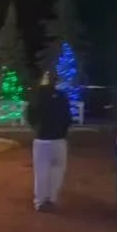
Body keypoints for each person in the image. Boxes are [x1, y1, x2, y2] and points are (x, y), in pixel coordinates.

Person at [26, 71, 72, 212]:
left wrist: (36, 128)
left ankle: (40, 201)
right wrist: (63, 130)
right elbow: (68, 117)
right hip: (59, 139)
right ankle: (51, 199)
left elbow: (30, 116)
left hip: (42, 139)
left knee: (41, 171)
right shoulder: (62, 96)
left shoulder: (36, 96)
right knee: (57, 171)